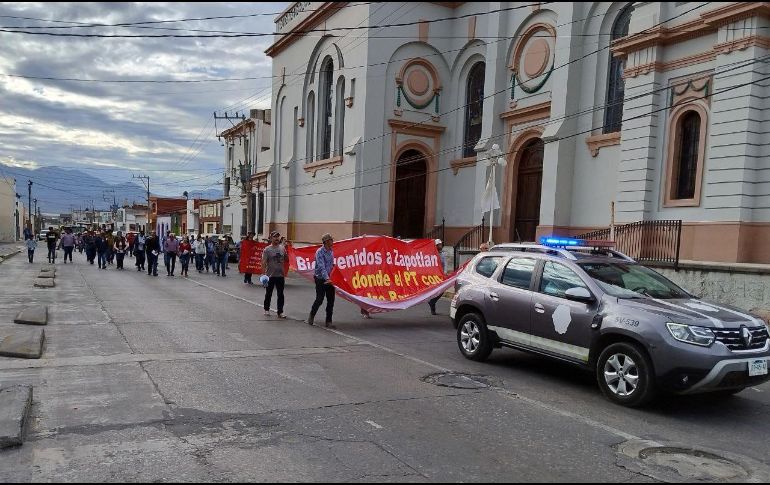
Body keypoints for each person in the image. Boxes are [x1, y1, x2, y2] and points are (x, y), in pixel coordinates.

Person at [307, 233, 336, 329]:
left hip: (330, 279)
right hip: (320, 278)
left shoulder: (331, 251)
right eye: (331, 239)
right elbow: (321, 266)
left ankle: (329, 321)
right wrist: (326, 278)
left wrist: (333, 274)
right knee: (319, 299)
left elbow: (331, 265)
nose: (332, 241)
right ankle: (312, 315)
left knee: (331, 300)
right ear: (327, 241)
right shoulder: (319, 252)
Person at [262, 231, 287, 318]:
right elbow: (264, 262)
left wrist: (287, 250)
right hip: (270, 275)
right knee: (269, 293)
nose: (276, 238)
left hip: (280, 275)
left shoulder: (282, 248)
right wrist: (263, 275)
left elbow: (286, 259)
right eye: (274, 237)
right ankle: (266, 309)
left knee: (281, 294)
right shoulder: (267, 249)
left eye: (278, 237)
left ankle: (280, 312)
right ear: (271, 238)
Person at [428, 239, 447, 315]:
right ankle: (433, 306)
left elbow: (445, 264)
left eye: (441, 244)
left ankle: (432, 301)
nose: (440, 246)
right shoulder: (431, 254)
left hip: (441, 276)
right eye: (439, 245)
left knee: (442, 290)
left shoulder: (443, 254)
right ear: (435, 246)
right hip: (433, 276)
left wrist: (445, 272)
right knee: (434, 290)